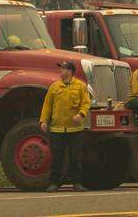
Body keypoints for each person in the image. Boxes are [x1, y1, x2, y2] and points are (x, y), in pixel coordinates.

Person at [39, 60, 90, 192]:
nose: (60, 71)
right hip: (57, 129)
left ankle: (77, 182)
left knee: (75, 158)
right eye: (61, 68)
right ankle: (54, 183)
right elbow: (47, 105)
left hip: (75, 129)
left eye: (63, 68)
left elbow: (85, 103)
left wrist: (81, 114)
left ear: (70, 71)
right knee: (57, 157)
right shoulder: (54, 87)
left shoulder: (80, 86)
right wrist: (43, 120)